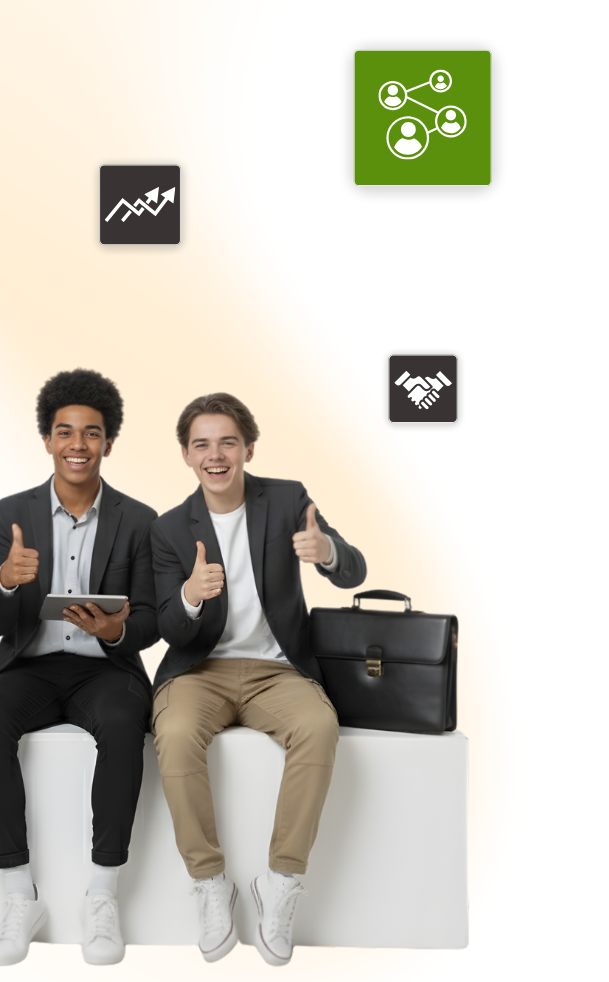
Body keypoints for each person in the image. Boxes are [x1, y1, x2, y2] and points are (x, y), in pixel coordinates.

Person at [149, 393, 366, 966]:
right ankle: (209, 882)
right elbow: (167, 625)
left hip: (278, 670)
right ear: (185, 455)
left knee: (319, 727)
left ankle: (282, 880)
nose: (215, 455)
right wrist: (190, 597)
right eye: (202, 444)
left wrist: (326, 552)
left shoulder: (289, 498)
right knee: (172, 736)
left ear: (248, 447)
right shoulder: (169, 528)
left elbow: (355, 568)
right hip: (199, 671)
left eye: (227, 442)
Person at [0, 369, 158, 966]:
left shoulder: (138, 518)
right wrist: (5, 579)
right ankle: (19, 893)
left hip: (104, 669)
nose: (78, 444)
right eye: (65, 432)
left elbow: (151, 618)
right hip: (30, 664)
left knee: (126, 725)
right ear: (47, 440)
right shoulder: (11, 512)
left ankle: (103, 894)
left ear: (108, 442)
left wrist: (116, 628)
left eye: (92, 433)